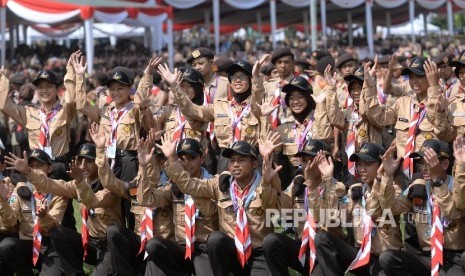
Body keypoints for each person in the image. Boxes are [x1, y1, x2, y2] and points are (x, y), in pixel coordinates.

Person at [158, 132, 282, 276]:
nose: (235, 164)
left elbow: (274, 209)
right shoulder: (220, 183)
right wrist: (172, 158)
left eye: (241, 160)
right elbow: (189, 185)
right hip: (230, 252)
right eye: (232, 160)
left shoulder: (264, 184)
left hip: (257, 253)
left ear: (254, 163)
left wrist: (267, 174)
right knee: (216, 239)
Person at [6, 143, 122, 275]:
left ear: (99, 162)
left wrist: (79, 181)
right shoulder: (77, 184)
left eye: (89, 161)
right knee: (58, 233)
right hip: (89, 244)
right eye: (80, 161)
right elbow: (51, 184)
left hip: (108, 246)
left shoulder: (111, 186)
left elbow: (92, 200)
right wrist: (28, 172)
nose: (83, 165)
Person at [76, 57, 162, 230]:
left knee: (132, 205)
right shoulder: (105, 112)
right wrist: (79, 76)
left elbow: (141, 101)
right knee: (110, 206)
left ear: (129, 88)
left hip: (129, 161)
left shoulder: (135, 110)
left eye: (120, 88)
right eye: (112, 89)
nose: (115, 92)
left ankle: (134, 241)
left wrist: (147, 75)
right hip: (108, 162)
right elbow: (82, 105)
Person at [88, 123, 173, 276]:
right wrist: (100, 150)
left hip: (159, 247)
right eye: (144, 157)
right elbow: (110, 182)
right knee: (114, 231)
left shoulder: (170, 188)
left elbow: (150, 197)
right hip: (139, 244)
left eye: (152, 158)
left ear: (162, 163)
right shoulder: (135, 186)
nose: (147, 161)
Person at [157, 56, 269, 173]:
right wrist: (174, 86)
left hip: (251, 156)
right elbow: (191, 111)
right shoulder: (220, 106)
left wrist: (256, 77)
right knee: (223, 189)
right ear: (229, 82)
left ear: (250, 80)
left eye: (242, 77)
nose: (238, 80)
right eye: (234, 77)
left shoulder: (256, 105)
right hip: (226, 157)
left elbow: (259, 96)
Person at [314, 143, 403, 276]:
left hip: (383, 259)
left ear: (381, 165)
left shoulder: (392, 191)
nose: (361, 169)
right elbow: (333, 219)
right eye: (359, 164)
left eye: (367, 164)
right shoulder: (355, 191)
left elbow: (378, 210)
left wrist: (380, 179)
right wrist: (328, 179)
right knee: (322, 239)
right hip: (360, 256)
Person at [380, 139, 465, 275]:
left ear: (444, 164)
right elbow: (390, 209)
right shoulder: (418, 185)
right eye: (421, 163)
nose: (423, 168)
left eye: (429, 162)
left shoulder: (458, 187)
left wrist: (437, 181)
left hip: (452, 257)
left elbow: (452, 213)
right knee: (388, 258)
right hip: (426, 255)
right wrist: (388, 176)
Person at [263, 139, 345, 276]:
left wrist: (313, 185)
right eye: (304, 160)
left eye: (313, 160)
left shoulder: (337, 188)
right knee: (271, 241)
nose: (308, 165)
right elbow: (280, 209)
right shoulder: (299, 184)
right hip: (303, 248)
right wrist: (271, 182)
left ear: (326, 162)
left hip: (326, 253)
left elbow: (330, 221)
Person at [137, 138, 216, 276]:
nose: (186, 163)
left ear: (202, 158)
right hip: (180, 247)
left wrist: (172, 159)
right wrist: (143, 166)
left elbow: (191, 187)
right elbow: (147, 199)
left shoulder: (212, 184)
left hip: (203, 248)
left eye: (191, 158)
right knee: (154, 246)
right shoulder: (173, 187)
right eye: (181, 159)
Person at [0, 50, 83, 176]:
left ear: (57, 89)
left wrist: (71, 72)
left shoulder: (64, 111)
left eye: (49, 86)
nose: (44, 90)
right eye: (40, 87)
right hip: (35, 168)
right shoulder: (29, 112)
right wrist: (3, 82)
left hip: (58, 167)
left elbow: (71, 99)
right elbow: (4, 106)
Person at [364, 57, 450, 177]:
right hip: (402, 170)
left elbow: (443, 133)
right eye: (411, 77)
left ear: (430, 77)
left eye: (419, 76)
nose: (414, 81)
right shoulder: (404, 101)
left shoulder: (440, 100)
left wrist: (434, 87)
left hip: (427, 168)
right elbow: (379, 117)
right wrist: (369, 86)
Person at [0, 149, 69, 275]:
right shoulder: (20, 190)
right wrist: (3, 201)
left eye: (39, 166)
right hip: (28, 244)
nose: (34, 170)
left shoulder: (59, 192)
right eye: (31, 166)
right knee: (6, 246)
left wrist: (43, 217)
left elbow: (53, 225)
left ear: (49, 168)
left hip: (49, 246)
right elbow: (10, 223)